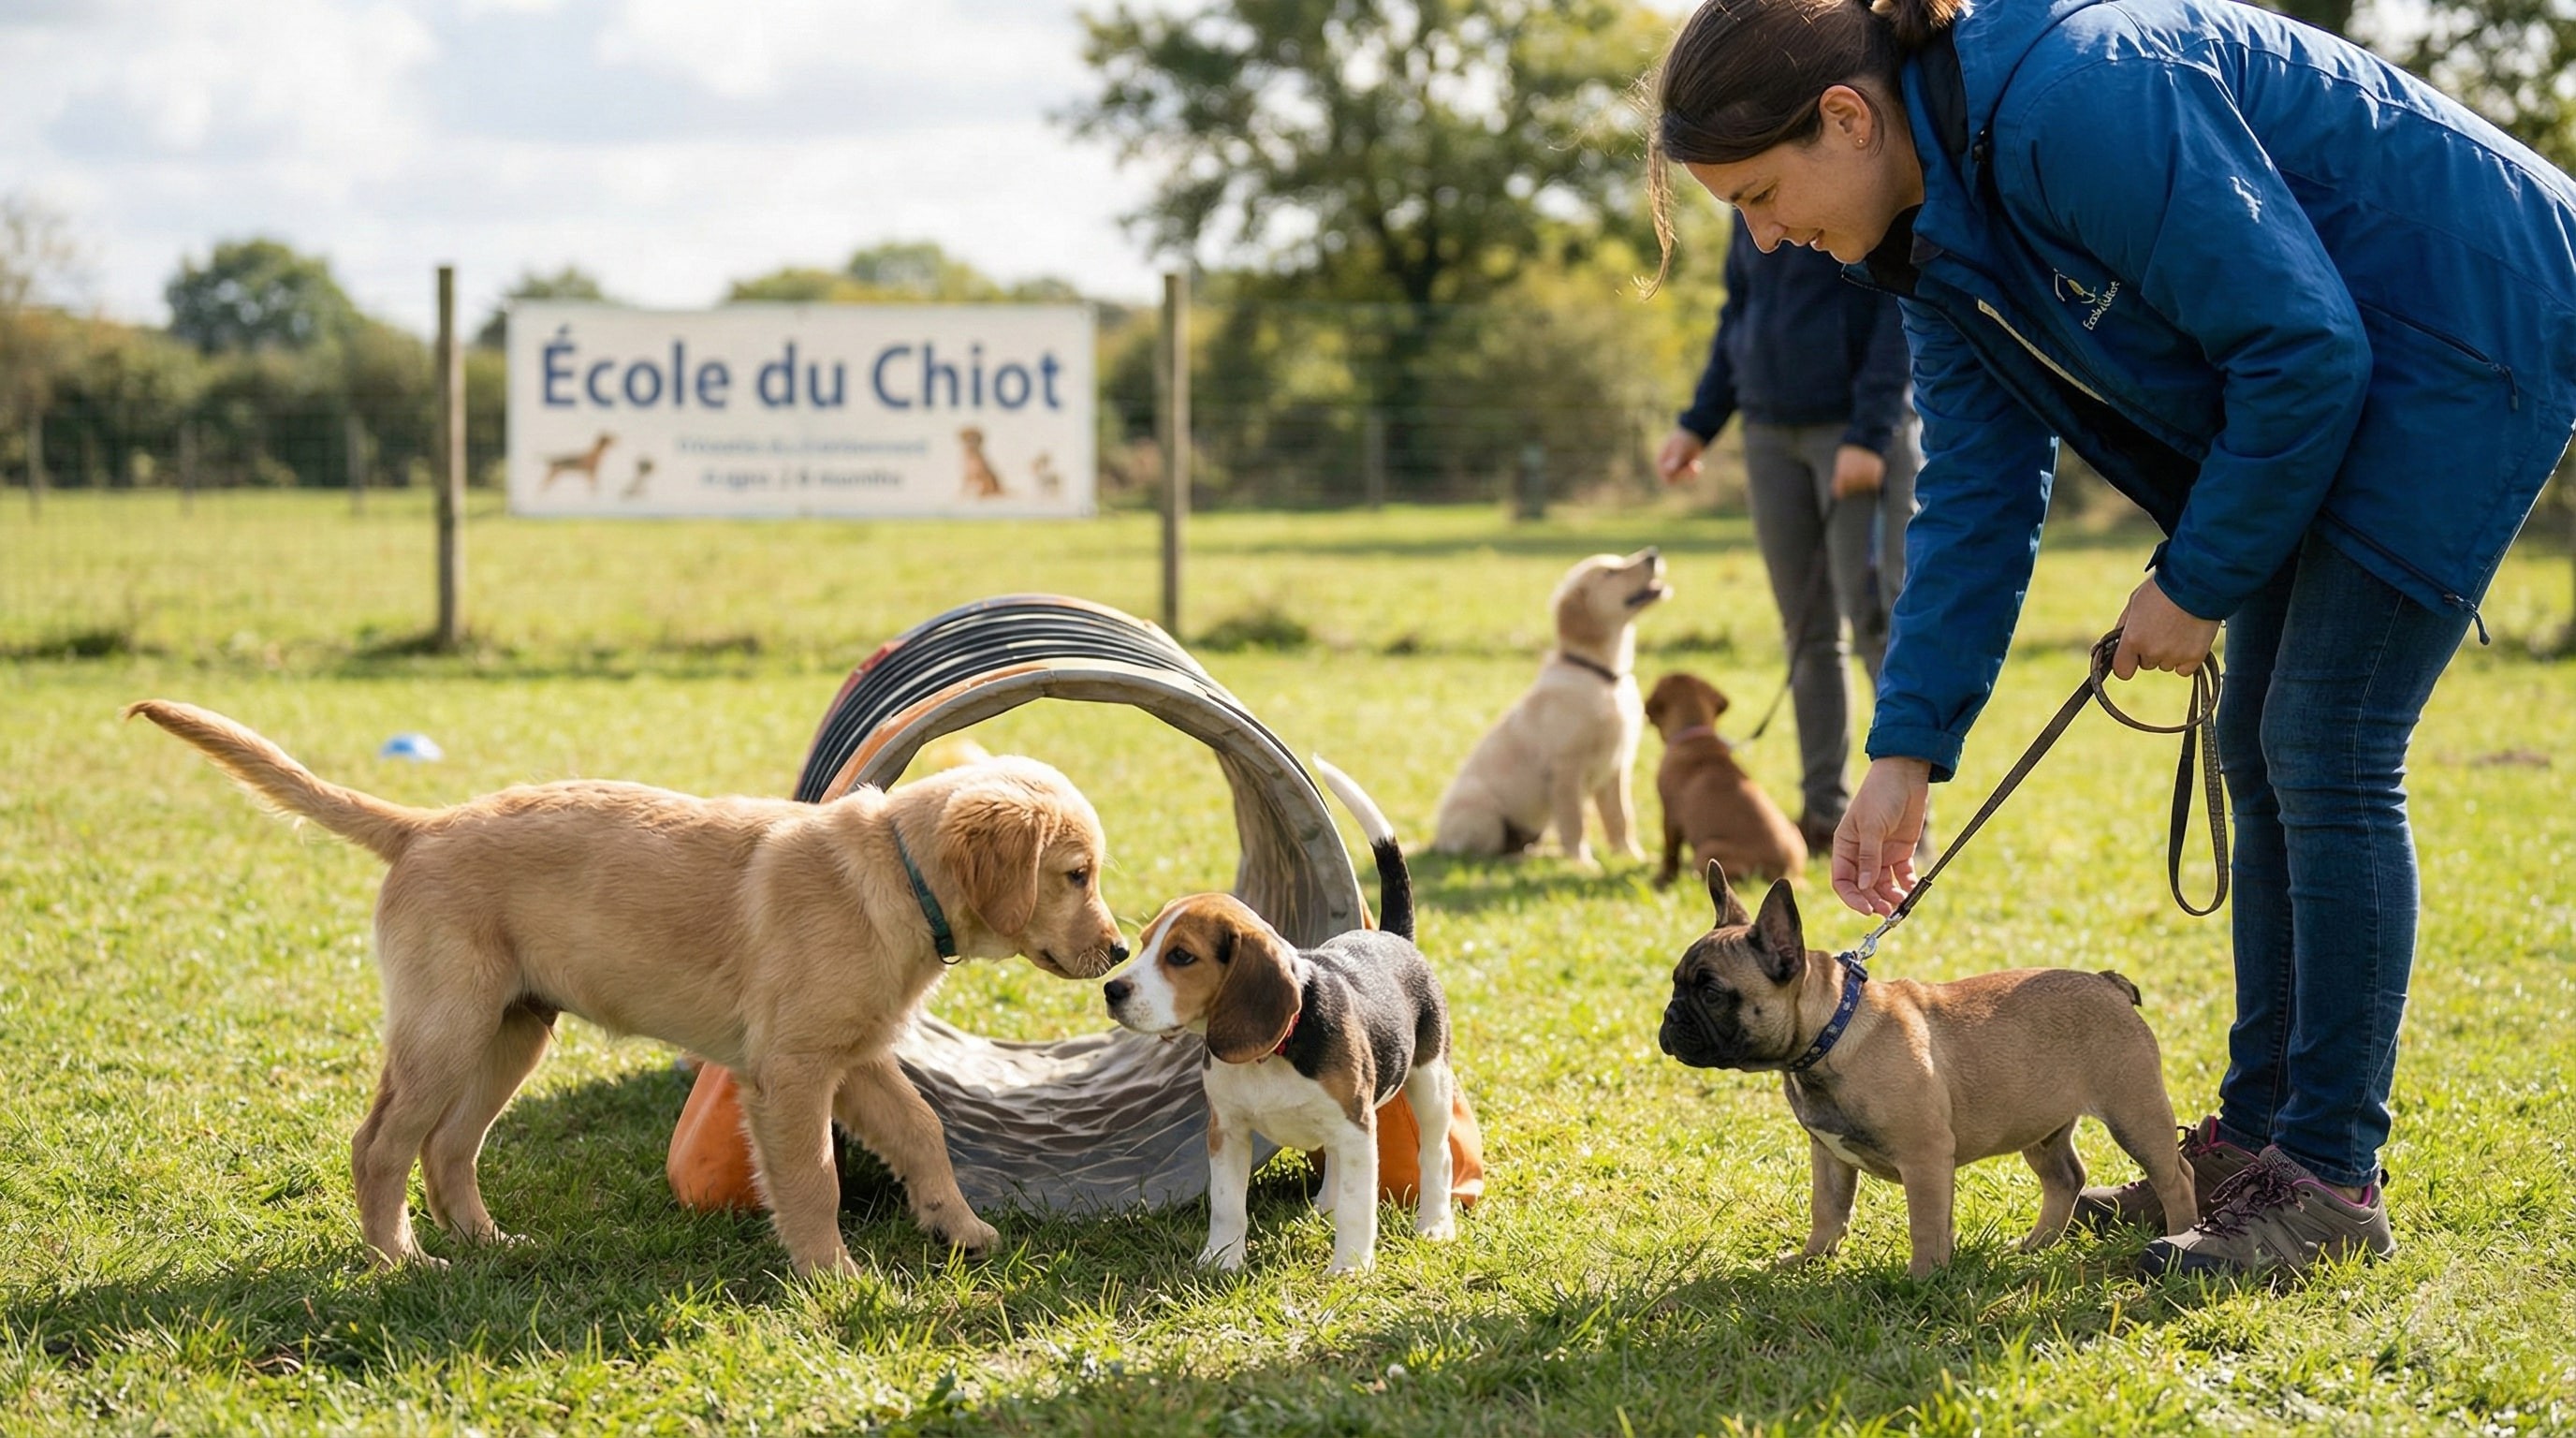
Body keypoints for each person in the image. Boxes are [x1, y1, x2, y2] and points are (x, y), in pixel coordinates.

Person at [1649, 0, 2575, 1279]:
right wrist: (1906, 749)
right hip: (2336, 365)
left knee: (2326, 742)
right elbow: (1976, 493)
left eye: (1759, 194)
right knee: (2260, 744)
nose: (1763, 239)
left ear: (1848, 118)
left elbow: (2303, 348)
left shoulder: (2074, 105)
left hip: (2463, 327)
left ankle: (2326, 1182)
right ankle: (2254, 1144)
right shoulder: (1922, 240)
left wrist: (2195, 580)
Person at [1656, 211, 1920, 856]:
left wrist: (1871, 434)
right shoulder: (1746, 205)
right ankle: (1825, 815)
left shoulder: (1852, 183)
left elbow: (1900, 311)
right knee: (1807, 635)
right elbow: (1738, 312)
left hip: (1854, 433)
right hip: (1768, 432)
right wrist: (1699, 423)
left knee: (1876, 625)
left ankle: (1905, 829)